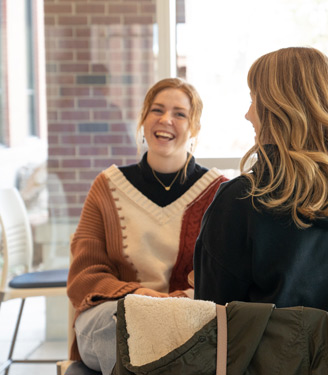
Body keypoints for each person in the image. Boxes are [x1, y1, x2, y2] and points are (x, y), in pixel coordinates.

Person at [194, 47, 328, 375]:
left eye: (253, 99)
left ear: (278, 109)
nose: (247, 114)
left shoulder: (243, 202)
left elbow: (213, 329)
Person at [67, 78, 228, 375]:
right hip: (117, 314)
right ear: (143, 119)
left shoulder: (219, 193)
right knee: (121, 324)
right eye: (157, 110)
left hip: (186, 318)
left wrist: (172, 305)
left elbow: (227, 278)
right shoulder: (106, 187)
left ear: (194, 128)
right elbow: (84, 278)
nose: (166, 119)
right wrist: (142, 297)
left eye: (180, 113)